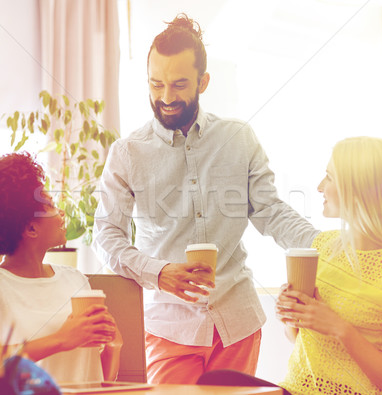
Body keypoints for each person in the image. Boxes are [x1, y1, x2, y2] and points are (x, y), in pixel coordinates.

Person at [93, 13, 318, 384]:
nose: (165, 97)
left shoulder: (239, 138)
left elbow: (271, 211)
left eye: (179, 85)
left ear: (204, 81)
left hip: (237, 324)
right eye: (156, 84)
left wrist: (324, 245)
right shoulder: (127, 153)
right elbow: (107, 236)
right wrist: (158, 273)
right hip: (170, 326)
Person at [274, 136, 382, 394]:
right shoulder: (324, 247)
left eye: (329, 177)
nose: (319, 187)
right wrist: (294, 316)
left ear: (359, 189)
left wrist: (339, 328)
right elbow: (300, 342)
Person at [0, 152, 122, 384]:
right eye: (50, 204)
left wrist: (113, 345)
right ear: (31, 229)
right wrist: (61, 339)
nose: (60, 212)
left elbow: (100, 381)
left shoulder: (75, 280)